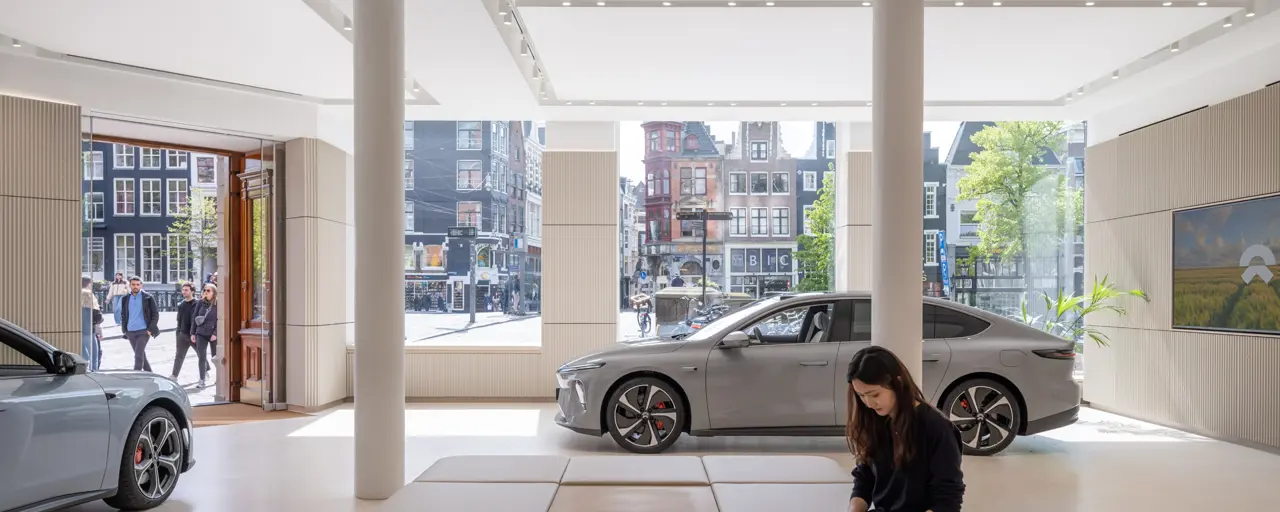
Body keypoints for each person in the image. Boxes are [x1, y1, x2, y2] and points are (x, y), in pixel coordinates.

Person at [846, 346, 965, 512]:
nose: (868, 403)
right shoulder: (874, 421)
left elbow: (947, 501)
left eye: (874, 395)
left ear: (898, 383)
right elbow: (864, 480)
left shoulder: (936, 427)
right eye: (861, 395)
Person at [118, 276, 159, 372]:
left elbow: (155, 314)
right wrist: (125, 330)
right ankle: (150, 375)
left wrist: (149, 330)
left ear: (141, 285)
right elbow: (123, 315)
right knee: (140, 355)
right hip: (130, 331)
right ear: (129, 285)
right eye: (133, 285)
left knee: (138, 355)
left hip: (143, 331)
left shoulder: (148, 297)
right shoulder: (125, 299)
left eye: (137, 284)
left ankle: (136, 375)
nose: (135, 286)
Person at [189, 283, 219, 389]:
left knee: (216, 358)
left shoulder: (218, 303)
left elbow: (220, 320)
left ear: (214, 292)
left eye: (208, 291)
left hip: (213, 334)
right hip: (201, 332)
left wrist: (215, 333)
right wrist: (192, 333)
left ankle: (219, 378)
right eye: (205, 290)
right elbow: (194, 318)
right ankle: (202, 379)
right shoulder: (200, 303)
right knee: (201, 356)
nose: (206, 292)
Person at [170, 282, 197, 382]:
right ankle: (174, 375)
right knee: (179, 355)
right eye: (183, 290)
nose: (184, 292)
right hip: (182, 333)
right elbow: (179, 320)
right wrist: (178, 333)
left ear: (192, 291)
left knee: (200, 354)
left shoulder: (197, 304)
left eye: (186, 290)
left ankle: (205, 370)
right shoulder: (181, 305)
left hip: (194, 335)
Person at [80, 277, 101, 371]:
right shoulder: (89, 294)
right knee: (94, 356)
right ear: (89, 284)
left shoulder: (75, 293)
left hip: (78, 330)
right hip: (89, 329)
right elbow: (98, 316)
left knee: (83, 354)